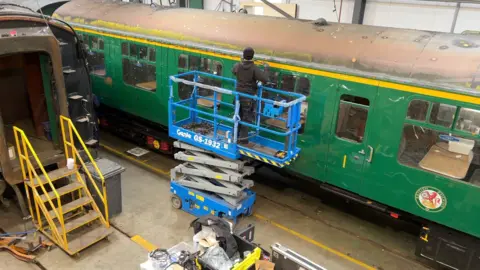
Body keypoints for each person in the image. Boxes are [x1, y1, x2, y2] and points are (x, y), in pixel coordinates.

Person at [231, 47, 269, 145]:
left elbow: (233, 71)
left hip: (238, 95)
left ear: (243, 55)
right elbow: (265, 79)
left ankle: (234, 135)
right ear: (252, 56)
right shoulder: (254, 68)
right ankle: (243, 140)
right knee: (246, 117)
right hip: (248, 96)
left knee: (237, 115)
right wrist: (266, 69)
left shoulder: (238, 65)